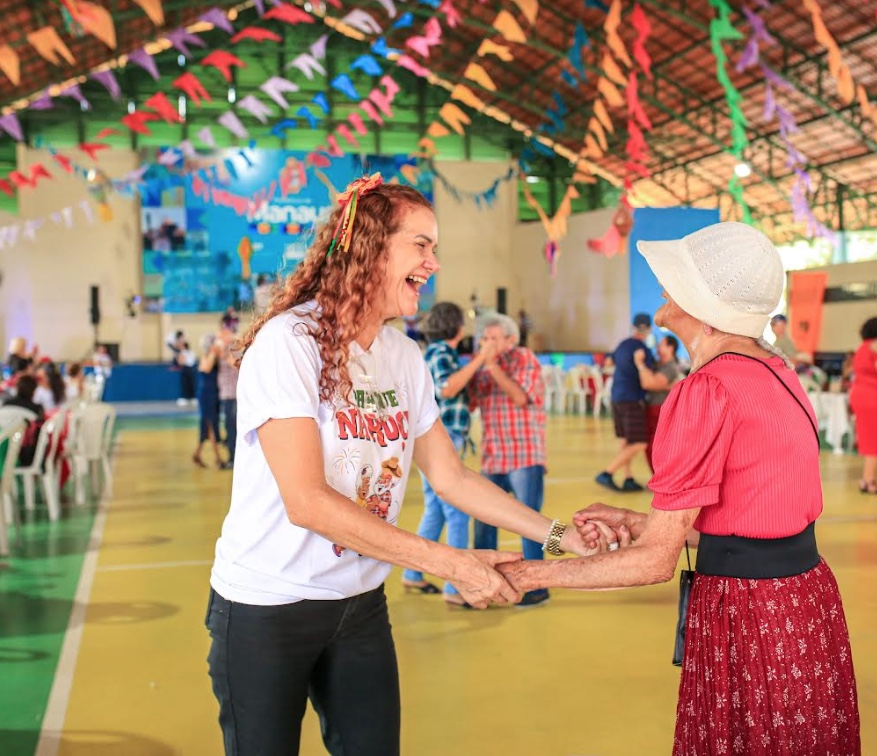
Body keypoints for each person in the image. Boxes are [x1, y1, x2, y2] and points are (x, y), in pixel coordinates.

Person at [206, 176, 597, 756]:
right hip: (268, 608)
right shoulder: (291, 344)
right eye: (421, 245)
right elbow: (307, 501)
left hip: (359, 605)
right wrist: (453, 563)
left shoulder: (403, 356)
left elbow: (451, 476)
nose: (433, 263)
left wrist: (559, 533)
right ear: (369, 247)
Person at [497, 222, 861, 755]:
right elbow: (756, 521)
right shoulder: (776, 371)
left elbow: (653, 563)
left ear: (702, 302)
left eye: (677, 279)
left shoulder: (705, 389)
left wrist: (523, 573)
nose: (663, 288)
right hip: (803, 600)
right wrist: (648, 524)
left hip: (750, 612)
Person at [401, 301, 488, 605]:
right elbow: (447, 387)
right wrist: (480, 361)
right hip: (443, 438)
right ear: (457, 327)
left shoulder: (441, 353)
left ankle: (413, 574)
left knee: (435, 509)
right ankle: (457, 587)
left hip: (445, 435)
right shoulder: (440, 353)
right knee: (457, 511)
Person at [467, 313, 552, 607]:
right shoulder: (482, 367)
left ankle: (536, 586)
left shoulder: (524, 359)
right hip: (493, 454)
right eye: (484, 339)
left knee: (528, 520)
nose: (488, 344)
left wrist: (490, 365)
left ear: (510, 339)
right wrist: (481, 363)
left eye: (493, 338)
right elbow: (470, 401)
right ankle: (486, 583)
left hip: (524, 452)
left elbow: (519, 397)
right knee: (483, 518)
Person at [595, 313, 655, 493]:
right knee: (639, 442)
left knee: (625, 441)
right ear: (649, 329)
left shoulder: (622, 345)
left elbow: (608, 362)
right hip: (632, 399)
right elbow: (649, 377)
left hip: (616, 397)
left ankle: (628, 477)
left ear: (633, 327)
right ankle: (607, 473)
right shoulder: (644, 350)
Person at [849, 317, 877, 493]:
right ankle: (869, 480)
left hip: (861, 396)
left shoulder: (861, 349)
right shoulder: (876, 349)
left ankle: (866, 478)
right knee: (874, 438)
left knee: (868, 436)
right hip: (873, 398)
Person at [637, 333, 683, 471]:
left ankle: (660, 477)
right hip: (652, 408)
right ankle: (658, 477)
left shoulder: (670, 367)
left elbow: (651, 383)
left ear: (670, 348)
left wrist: (639, 364)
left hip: (659, 410)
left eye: (661, 344)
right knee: (650, 445)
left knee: (655, 446)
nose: (657, 347)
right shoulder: (658, 365)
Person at [193, 333, 224, 468]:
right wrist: (214, 351)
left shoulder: (214, 358)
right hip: (207, 395)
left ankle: (197, 454)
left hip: (212, 394)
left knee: (207, 425)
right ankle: (218, 458)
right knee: (211, 424)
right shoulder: (207, 358)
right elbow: (206, 368)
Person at [3, 375, 47, 466]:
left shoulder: (6, 404)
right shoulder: (36, 409)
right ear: (34, 391)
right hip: (27, 454)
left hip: (5, 450)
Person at [216, 328, 239, 470]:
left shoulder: (233, 350)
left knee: (232, 429)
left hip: (233, 395)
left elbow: (235, 365)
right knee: (229, 428)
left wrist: (224, 352)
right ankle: (232, 457)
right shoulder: (222, 352)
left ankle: (233, 459)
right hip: (226, 394)